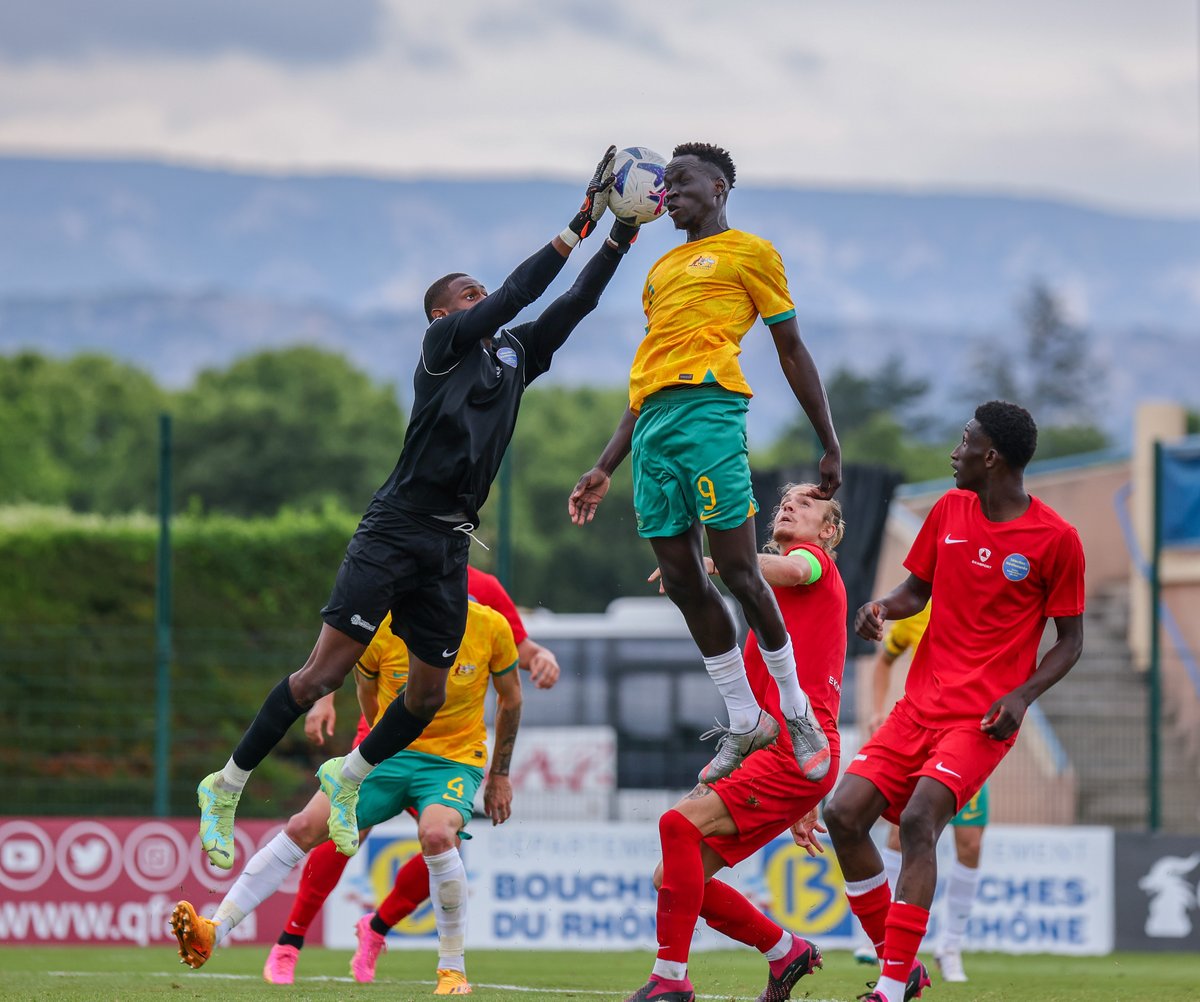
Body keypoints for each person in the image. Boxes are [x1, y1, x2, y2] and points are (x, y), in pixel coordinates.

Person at [195, 146, 638, 871]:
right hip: (396, 529)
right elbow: (517, 296)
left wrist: (618, 237)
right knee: (320, 678)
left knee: (427, 695)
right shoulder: (442, 347)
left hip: (449, 545)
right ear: (443, 314)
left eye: (479, 291)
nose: (482, 296)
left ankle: (351, 777)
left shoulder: (513, 358)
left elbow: (573, 304)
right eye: (469, 294)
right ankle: (227, 783)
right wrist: (579, 221)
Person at [569, 142, 841, 789]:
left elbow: (791, 347)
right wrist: (607, 465)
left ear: (719, 188)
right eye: (666, 183)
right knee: (683, 579)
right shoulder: (659, 270)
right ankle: (746, 719)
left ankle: (795, 712)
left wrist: (828, 440)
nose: (671, 192)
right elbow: (646, 382)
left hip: (711, 413)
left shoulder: (751, 252)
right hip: (656, 427)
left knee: (743, 571)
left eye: (684, 180)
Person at [824, 401, 1085, 1002]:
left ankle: (889, 988)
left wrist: (1022, 696)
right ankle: (904, 964)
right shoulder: (948, 510)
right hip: (918, 707)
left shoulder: (1056, 540)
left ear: (990, 456)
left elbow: (1071, 643)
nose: (955, 451)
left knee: (920, 821)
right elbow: (917, 589)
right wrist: (883, 608)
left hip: (982, 719)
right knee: (843, 815)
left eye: (964, 440)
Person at [171, 595, 522, 995]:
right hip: (387, 754)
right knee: (304, 825)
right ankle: (213, 931)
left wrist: (500, 774)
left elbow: (512, 698)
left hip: (452, 763)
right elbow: (367, 696)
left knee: (439, 836)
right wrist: (373, 755)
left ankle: (452, 969)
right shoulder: (383, 627)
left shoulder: (490, 625)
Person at [263, 565, 559, 985]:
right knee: (340, 833)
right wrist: (324, 699)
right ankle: (289, 944)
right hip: (385, 738)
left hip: (446, 752)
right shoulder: (388, 570)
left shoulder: (485, 588)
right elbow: (346, 643)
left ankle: (377, 928)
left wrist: (542, 657)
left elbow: (517, 648)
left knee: (444, 844)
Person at [623, 483, 844, 1002]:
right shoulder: (765, 613)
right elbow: (760, 714)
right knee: (672, 874)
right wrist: (807, 796)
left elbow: (792, 569)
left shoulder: (812, 563)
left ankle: (670, 980)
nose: (789, 504)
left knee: (677, 825)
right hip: (785, 756)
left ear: (828, 532)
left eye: (806, 503)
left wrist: (714, 562)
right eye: (786, 500)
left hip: (797, 753)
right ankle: (785, 951)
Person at [851, 602, 988, 983]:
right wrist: (876, 711)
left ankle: (950, 946)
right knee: (902, 828)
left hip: (968, 737)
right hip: (923, 735)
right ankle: (881, 939)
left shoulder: (984, 608)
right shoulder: (916, 614)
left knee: (971, 844)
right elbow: (884, 662)